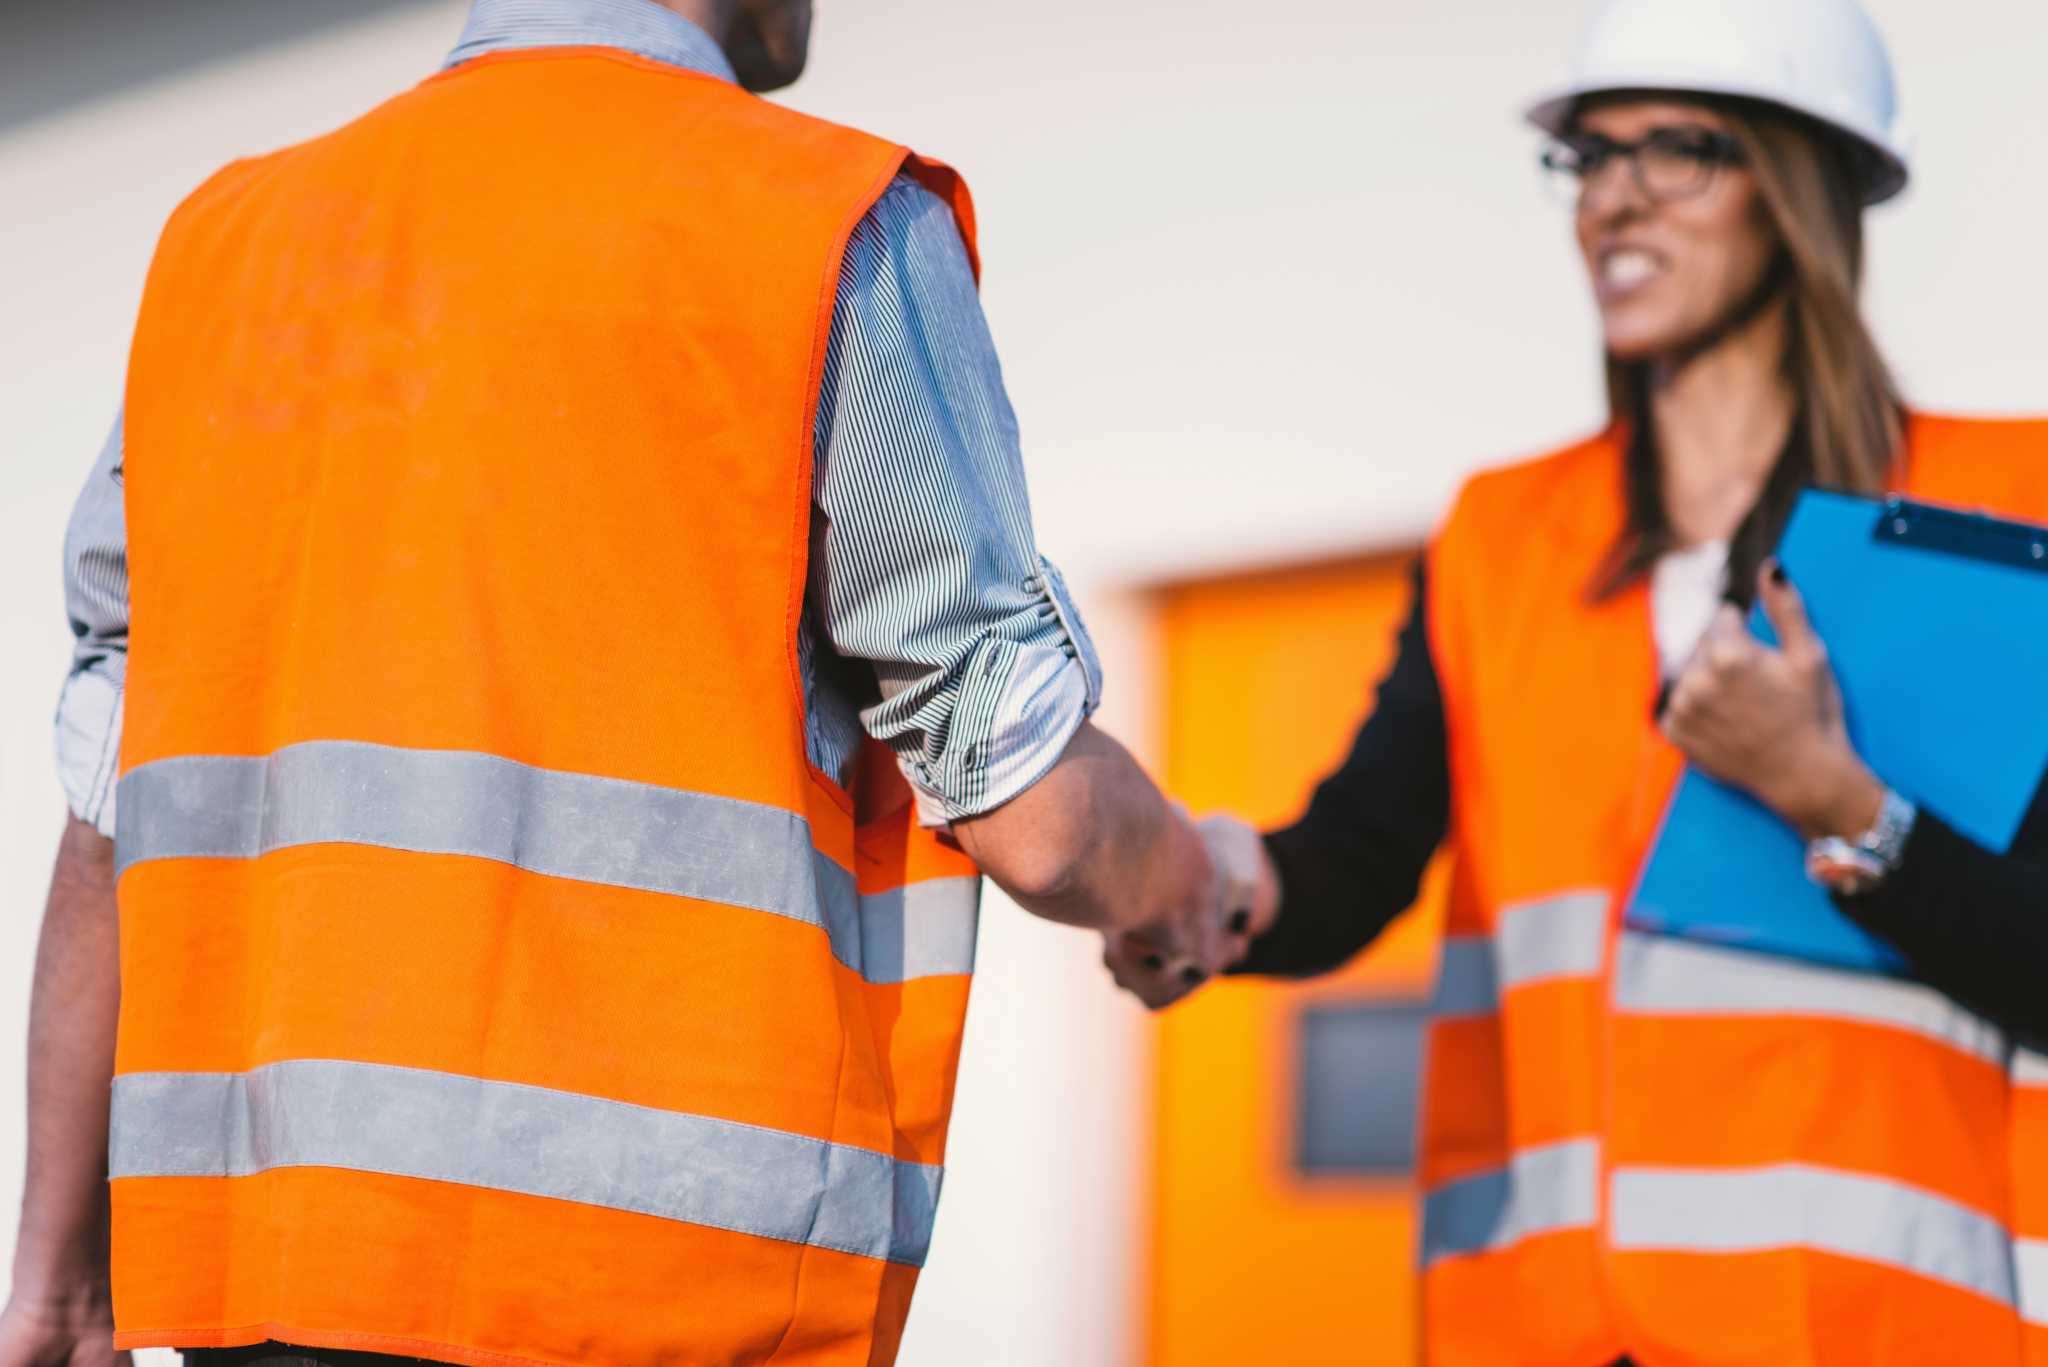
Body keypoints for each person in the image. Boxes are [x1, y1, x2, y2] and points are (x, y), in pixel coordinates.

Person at [2, 2, 1256, 1365]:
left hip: (270, 1289)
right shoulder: (818, 219)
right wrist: (1189, 883)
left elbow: (115, 798)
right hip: (656, 1292)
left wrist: (63, 1277)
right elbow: (1039, 815)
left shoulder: (223, 251)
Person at [1126, 0, 2048, 1362]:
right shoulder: (1502, 540)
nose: (1613, 200)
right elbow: (1359, 854)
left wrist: (1837, 800)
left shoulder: (2004, 510)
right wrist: (1196, 883)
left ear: (1803, 183)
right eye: (1589, 156)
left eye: (1677, 149)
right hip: (1542, 1328)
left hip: (1860, 1331)